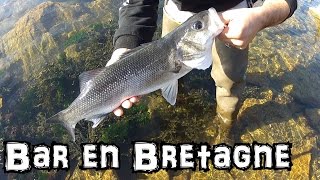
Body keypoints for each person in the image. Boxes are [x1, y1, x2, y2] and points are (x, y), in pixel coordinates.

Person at [106, 0, 297, 143]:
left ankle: (226, 127)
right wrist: (125, 48)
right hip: (178, 12)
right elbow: (138, 3)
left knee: (230, 81)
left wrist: (262, 16)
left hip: (236, 13)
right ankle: (170, 106)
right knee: (168, 72)